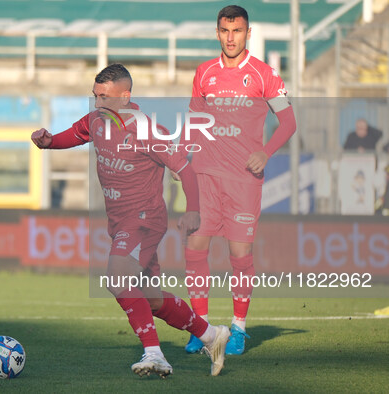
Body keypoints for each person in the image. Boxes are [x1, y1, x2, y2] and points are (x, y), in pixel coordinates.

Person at [31, 64, 230, 378]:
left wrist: (193, 210)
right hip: (120, 222)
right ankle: (211, 335)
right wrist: (49, 141)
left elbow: (186, 169)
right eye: (95, 96)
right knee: (150, 298)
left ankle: (154, 353)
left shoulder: (147, 130)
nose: (98, 104)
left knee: (117, 278)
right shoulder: (97, 121)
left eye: (104, 97)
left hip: (144, 220)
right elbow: (77, 133)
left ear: (125, 97)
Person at [182, 5, 296, 356]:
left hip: (244, 180)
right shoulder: (204, 73)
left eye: (237, 31)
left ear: (248, 32)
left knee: (239, 255)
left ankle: (238, 330)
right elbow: (195, 122)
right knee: (194, 248)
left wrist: (265, 153)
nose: (231, 37)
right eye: (224, 31)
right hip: (206, 176)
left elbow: (289, 123)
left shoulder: (263, 75)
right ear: (217, 32)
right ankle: (200, 331)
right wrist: (184, 159)